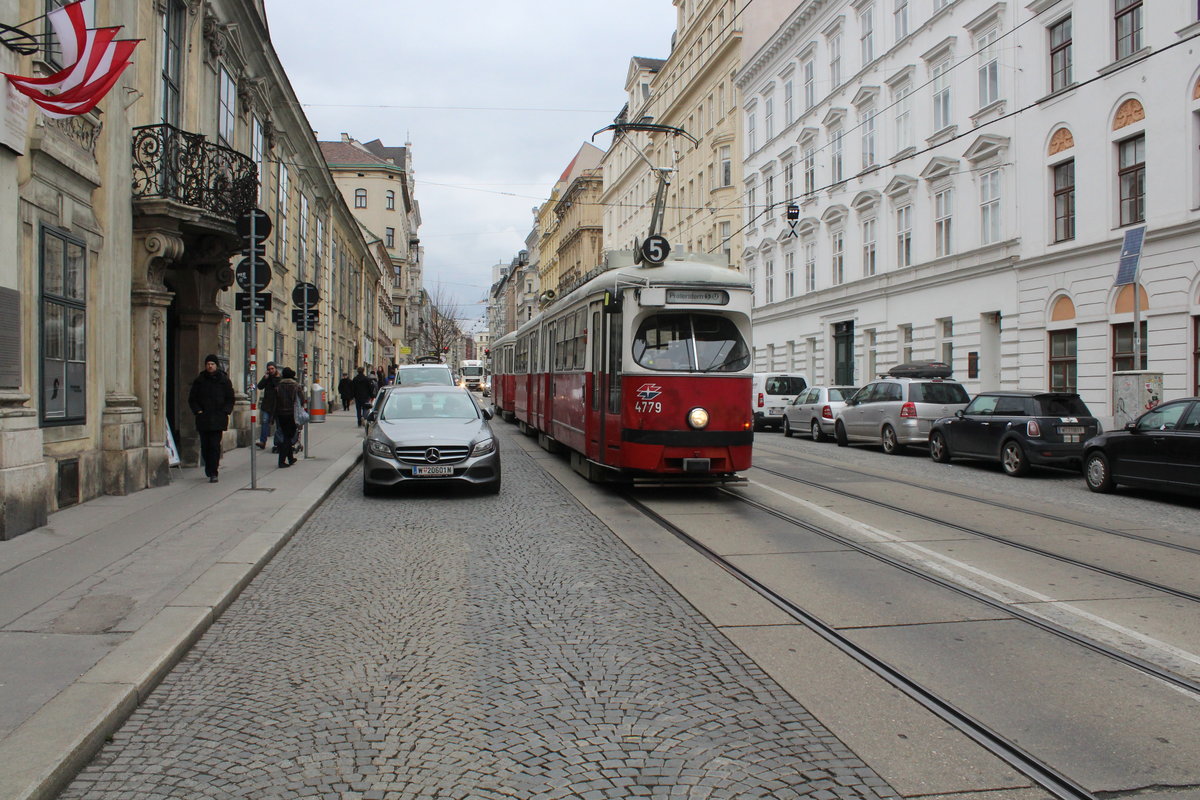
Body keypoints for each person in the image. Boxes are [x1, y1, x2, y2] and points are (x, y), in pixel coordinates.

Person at [188, 354, 234, 483]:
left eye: (212, 364)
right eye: (208, 364)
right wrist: (198, 411)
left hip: (218, 418)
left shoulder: (224, 380)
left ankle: (214, 471)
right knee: (205, 445)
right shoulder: (200, 380)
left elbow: (230, 398)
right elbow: (192, 399)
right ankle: (209, 467)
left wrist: (225, 411)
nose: (210, 366)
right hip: (204, 418)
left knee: (214, 445)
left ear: (216, 365)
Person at [273, 367, 305, 468]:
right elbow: (302, 399)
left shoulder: (278, 386)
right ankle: (281, 461)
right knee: (288, 437)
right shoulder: (296, 386)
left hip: (280, 414)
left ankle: (291, 458)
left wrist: (273, 415)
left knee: (286, 434)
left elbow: (274, 401)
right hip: (292, 414)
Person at [256, 362, 280, 450]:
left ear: (276, 368)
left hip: (277, 405)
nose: (270, 371)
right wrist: (265, 378)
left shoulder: (279, 378)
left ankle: (277, 443)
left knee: (278, 425)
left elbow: (277, 386)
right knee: (265, 422)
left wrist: (272, 378)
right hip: (267, 404)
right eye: (269, 369)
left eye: (272, 369)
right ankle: (263, 441)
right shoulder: (267, 378)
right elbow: (259, 386)